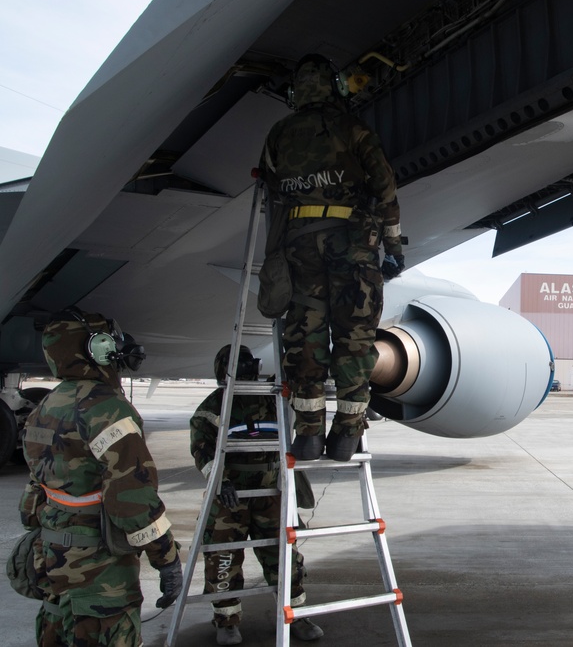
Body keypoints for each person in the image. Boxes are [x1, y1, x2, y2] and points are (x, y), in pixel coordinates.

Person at [259, 53, 404, 462]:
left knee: (305, 333)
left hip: (300, 244)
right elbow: (385, 189)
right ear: (332, 87)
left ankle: (306, 434)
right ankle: (346, 435)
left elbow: (271, 185)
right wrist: (393, 247)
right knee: (354, 336)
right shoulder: (353, 128)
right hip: (351, 244)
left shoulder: (278, 134)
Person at [17, 308, 183, 646]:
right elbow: (131, 497)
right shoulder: (107, 408)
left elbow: (34, 495)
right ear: (96, 348)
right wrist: (166, 559)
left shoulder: (45, 406)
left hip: (52, 564)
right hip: (100, 578)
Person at [189, 345, 323, 645]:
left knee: (284, 554)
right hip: (231, 496)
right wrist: (218, 481)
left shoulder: (271, 398)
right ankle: (226, 621)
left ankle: (296, 614)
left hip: (270, 490)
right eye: (241, 364)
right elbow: (201, 449)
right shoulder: (213, 408)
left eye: (251, 364)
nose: (248, 369)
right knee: (223, 556)